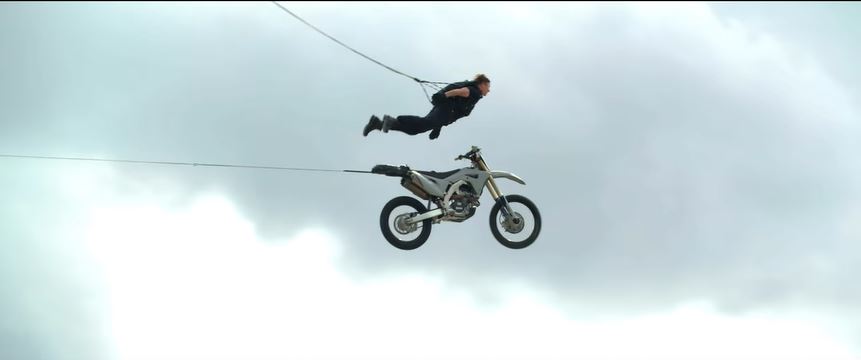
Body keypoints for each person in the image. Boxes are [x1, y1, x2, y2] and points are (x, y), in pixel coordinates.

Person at [363, 74, 490, 140]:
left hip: (444, 112)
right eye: (488, 87)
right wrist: (444, 96)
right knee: (424, 123)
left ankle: (378, 124)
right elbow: (462, 91)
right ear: (482, 84)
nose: (488, 91)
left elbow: (457, 105)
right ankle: (391, 120)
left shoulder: (475, 93)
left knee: (415, 130)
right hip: (445, 109)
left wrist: (437, 127)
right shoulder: (475, 92)